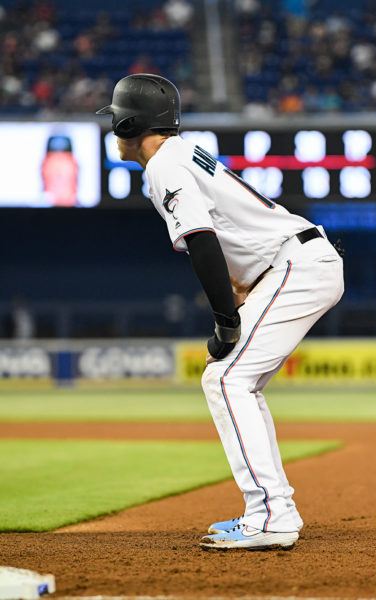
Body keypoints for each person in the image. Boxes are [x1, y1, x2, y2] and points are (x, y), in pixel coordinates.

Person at [96, 74, 344, 550]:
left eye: (116, 120)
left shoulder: (163, 164)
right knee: (236, 381)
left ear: (131, 123)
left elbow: (203, 242)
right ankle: (272, 510)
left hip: (296, 265)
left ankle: (272, 516)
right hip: (294, 264)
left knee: (226, 379)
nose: (114, 131)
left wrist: (225, 323)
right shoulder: (180, 154)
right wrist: (236, 304)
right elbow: (224, 244)